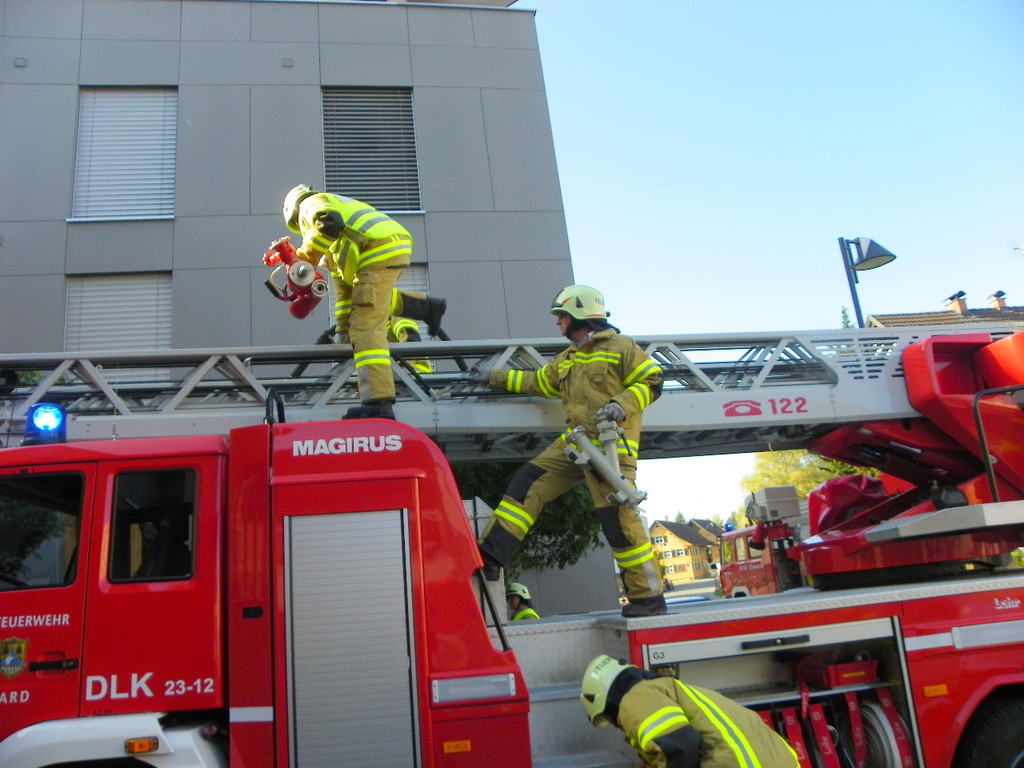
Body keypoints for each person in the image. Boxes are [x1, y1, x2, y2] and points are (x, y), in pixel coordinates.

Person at [473, 285, 667, 617]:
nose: (557, 322)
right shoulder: (568, 358)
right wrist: (493, 377)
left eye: (561, 316)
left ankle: (648, 598)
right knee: (528, 482)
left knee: (619, 523)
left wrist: (622, 404)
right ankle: (490, 557)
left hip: (610, 449)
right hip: (576, 444)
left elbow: (653, 382)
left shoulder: (621, 347)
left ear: (579, 314)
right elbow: (537, 382)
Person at [282, 184, 446, 419]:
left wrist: (305, 258)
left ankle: (378, 404)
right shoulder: (333, 246)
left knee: (365, 327)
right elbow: (344, 294)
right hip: (385, 245)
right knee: (369, 301)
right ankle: (427, 308)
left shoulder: (311, 204)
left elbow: (330, 222)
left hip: (378, 248)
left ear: (294, 213)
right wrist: (343, 331)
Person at [580, 655, 800, 768]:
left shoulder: (635, 698)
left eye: (607, 718)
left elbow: (680, 746)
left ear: (607, 702)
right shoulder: (670, 690)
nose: (615, 725)